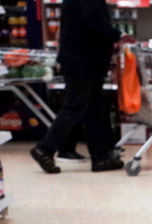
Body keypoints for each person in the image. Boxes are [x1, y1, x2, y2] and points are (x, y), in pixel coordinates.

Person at [30, 0, 123, 173]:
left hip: (82, 59)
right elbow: (95, 23)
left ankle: (101, 157)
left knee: (94, 107)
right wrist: (117, 35)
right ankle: (45, 148)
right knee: (76, 105)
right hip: (83, 60)